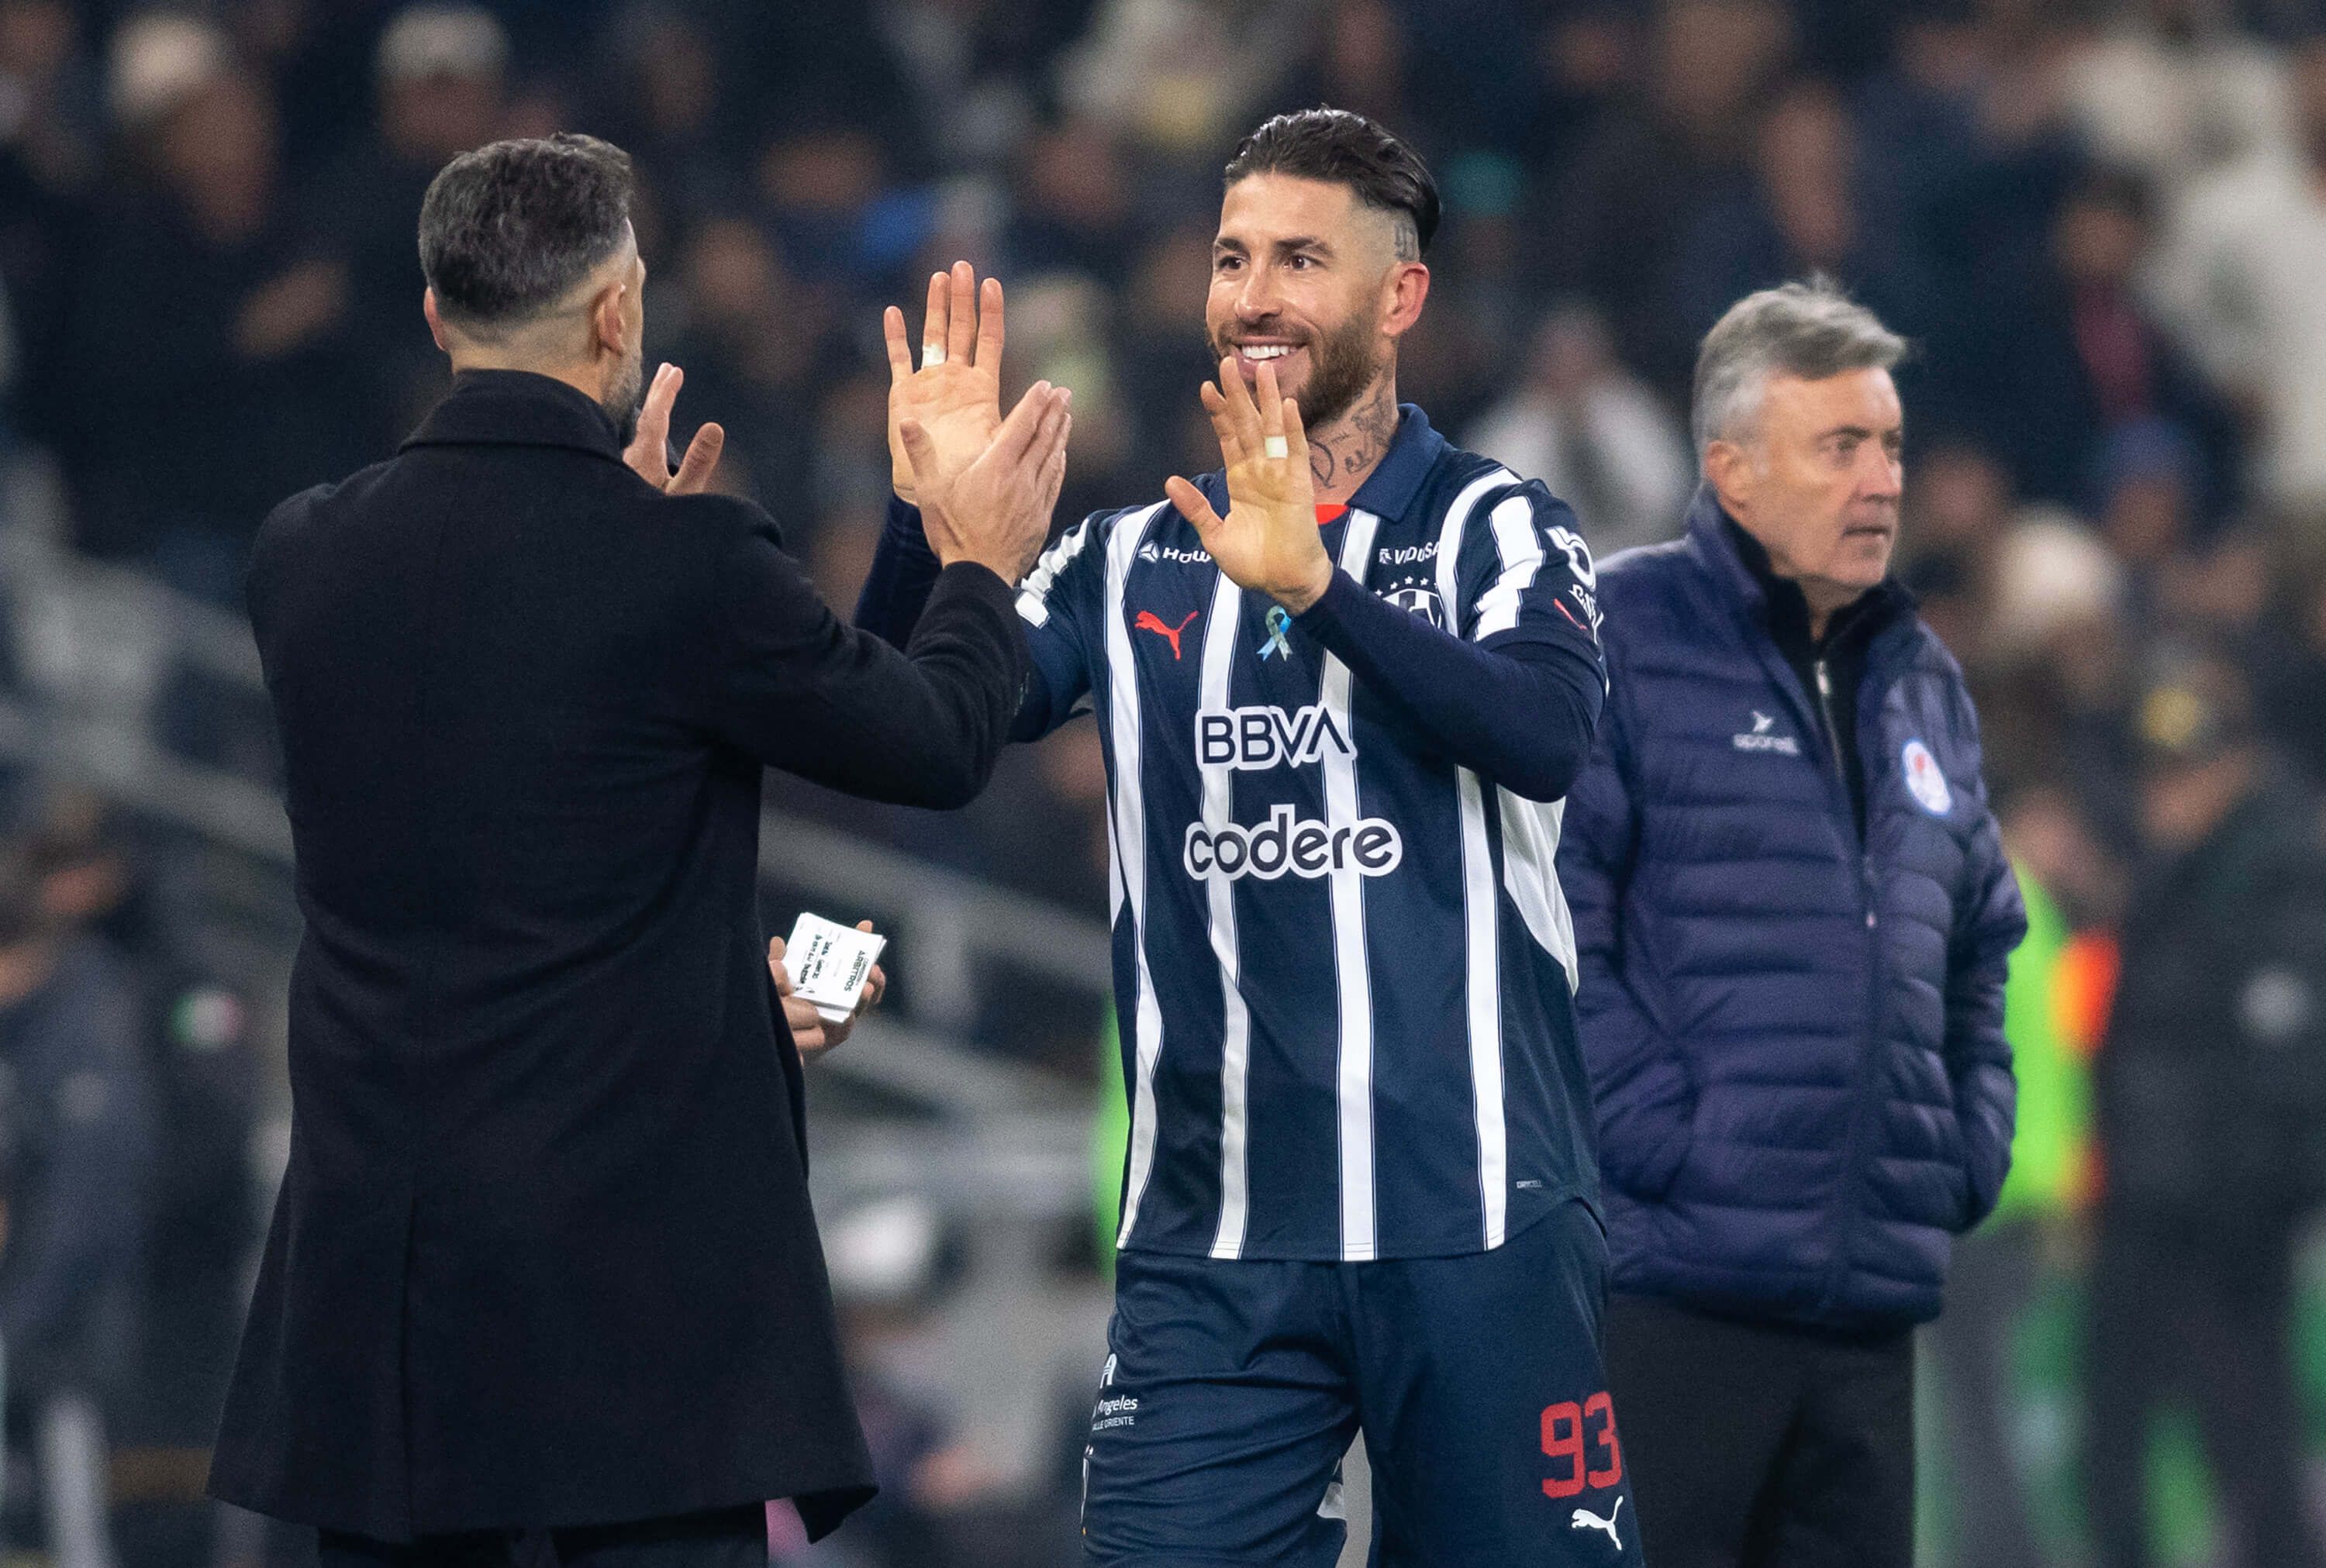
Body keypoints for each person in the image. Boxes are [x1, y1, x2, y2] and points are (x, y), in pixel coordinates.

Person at [206, 133, 1072, 1568]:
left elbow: (528, 804)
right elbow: (927, 740)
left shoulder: (298, 554)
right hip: (638, 1307)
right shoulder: (682, 568)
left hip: (389, 1302)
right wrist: (970, 551)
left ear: (437, 316)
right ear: (618, 314)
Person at [858, 109, 1633, 1566]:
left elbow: (1546, 734)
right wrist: (930, 526)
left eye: (1299, 258)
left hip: (1474, 1222)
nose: (1254, 293)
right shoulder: (1129, 554)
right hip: (1210, 1250)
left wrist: (1323, 589)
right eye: (1231, 258)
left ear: (1399, 296)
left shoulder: (1497, 527)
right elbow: (905, 733)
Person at [1557, 279, 2024, 1567]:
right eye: (1841, 447)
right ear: (1734, 469)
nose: (1881, 481)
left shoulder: (1922, 677)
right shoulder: (1619, 635)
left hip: (1868, 1305)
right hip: (1676, 1295)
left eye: (1890, 446)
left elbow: (1980, 940)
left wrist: (1957, 1146)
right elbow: (1546, 923)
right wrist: (1674, 1139)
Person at [2083, 653, 2326, 1568]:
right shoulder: (2175, 874)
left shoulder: (2276, 869)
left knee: (2249, 1442)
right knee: (2117, 1443)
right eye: (2158, 771)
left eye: (2187, 768)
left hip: (2224, 1222)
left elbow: (2287, 1063)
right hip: (2148, 1203)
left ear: (2237, 763)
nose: (2168, 791)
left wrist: (2248, 1203)